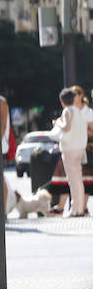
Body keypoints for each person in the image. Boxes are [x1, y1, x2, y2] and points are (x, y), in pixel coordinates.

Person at [52, 86, 92, 217]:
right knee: (78, 179)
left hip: (69, 148)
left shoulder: (67, 111)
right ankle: (80, 208)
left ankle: (75, 209)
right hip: (80, 148)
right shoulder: (80, 112)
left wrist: (57, 123)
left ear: (62, 101)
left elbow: (67, 127)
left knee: (72, 180)